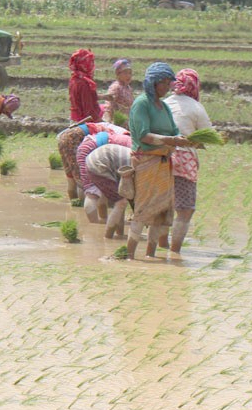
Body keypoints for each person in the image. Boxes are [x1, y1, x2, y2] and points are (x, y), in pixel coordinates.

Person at [125, 62, 195, 261]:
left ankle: (150, 254)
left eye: (168, 83)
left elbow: (174, 131)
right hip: (146, 161)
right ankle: (129, 253)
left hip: (165, 163)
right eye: (163, 83)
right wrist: (169, 140)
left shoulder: (163, 106)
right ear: (153, 83)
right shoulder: (142, 104)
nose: (167, 87)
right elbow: (143, 135)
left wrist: (188, 140)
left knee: (161, 211)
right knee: (143, 209)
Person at [163, 68, 211, 253]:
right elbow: (207, 135)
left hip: (160, 157)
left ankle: (160, 246)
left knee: (164, 206)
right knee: (184, 210)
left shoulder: (165, 103)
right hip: (183, 159)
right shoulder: (196, 107)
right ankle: (175, 252)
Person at [76, 123, 131, 225]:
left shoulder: (123, 135)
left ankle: (102, 221)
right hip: (93, 149)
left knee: (100, 188)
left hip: (88, 147)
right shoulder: (131, 143)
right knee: (92, 192)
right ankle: (94, 225)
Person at [85, 140, 133, 239]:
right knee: (121, 202)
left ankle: (119, 234)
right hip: (99, 164)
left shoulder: (143, 161)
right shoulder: (143, 167)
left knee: (121, 198)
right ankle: (108, 238)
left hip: (97, 159)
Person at [68, 48, 101, 123]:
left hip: (75, 119)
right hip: (84, 123)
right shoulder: (84, 84)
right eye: (90, 62)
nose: (93, 65)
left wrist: (104, 97)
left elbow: (83, 98)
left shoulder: (74, 79)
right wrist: (105, 124)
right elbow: (89, 112)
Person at [102, 58, 134, 123]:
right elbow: (109, 105)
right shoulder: (115, 87)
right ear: (118, 74)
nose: (128, 76)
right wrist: (108, 122)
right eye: (125, 73)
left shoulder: (128, 88)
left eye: (130, 73)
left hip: (127, 121)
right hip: (117, 121)